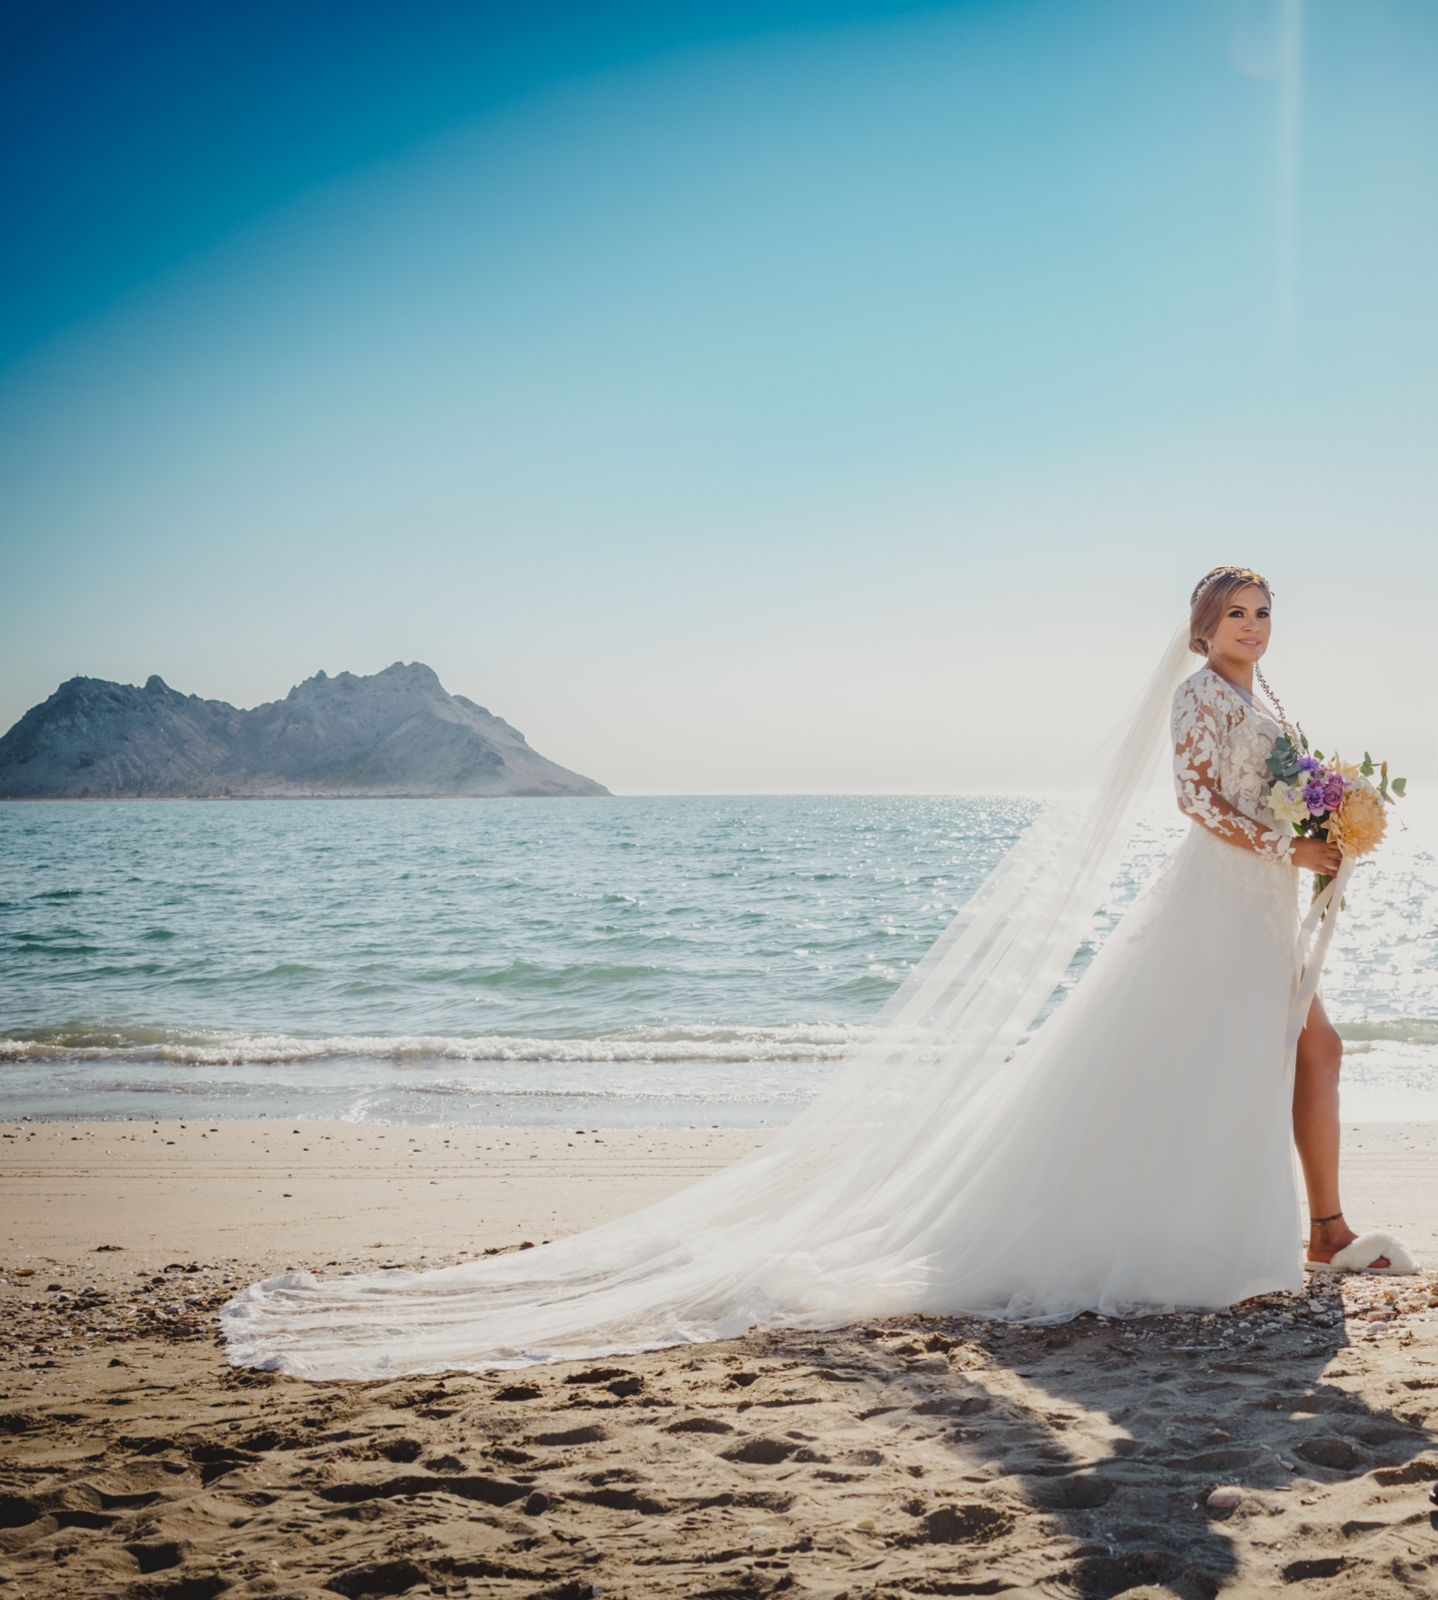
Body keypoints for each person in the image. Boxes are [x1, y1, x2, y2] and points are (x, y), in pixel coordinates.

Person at [219, 566, 1418, 1381]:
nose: (1253, 628)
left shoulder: (1268, 695)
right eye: (1236, 613)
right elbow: (1196, 801)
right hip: (1219, 900)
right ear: (1201, 626)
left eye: (1263, 612)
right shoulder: (1196, 696)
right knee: (1264, 1055)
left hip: (1264, 901)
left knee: (1301, 1052)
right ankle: (1298, 1225)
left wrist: (1333, 821)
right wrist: (1291, 838)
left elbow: (1282, 782)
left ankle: (1318, 1228)